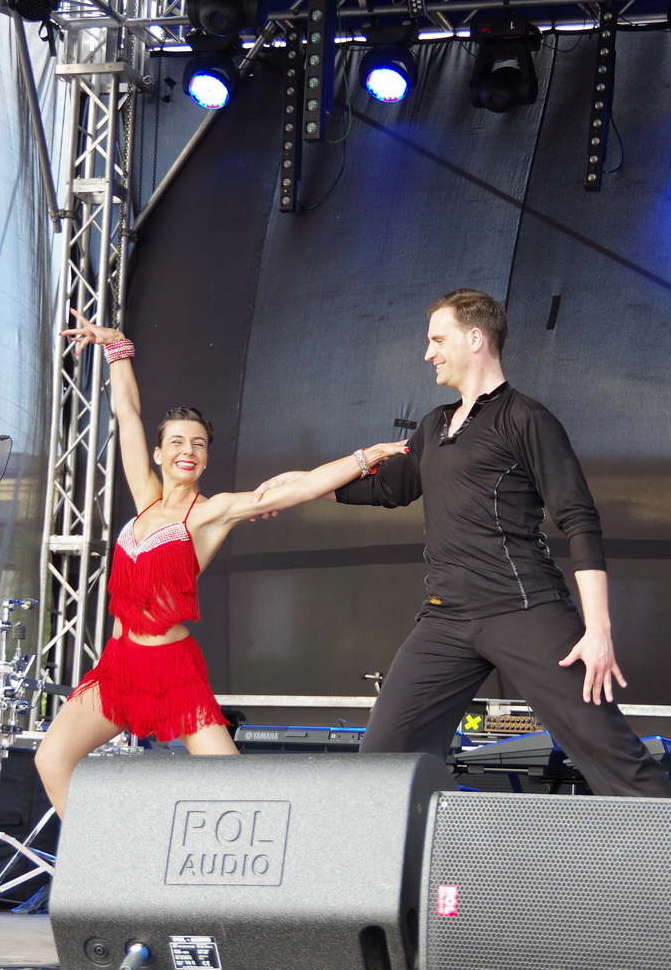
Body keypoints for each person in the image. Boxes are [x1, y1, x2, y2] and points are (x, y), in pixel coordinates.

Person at [258, 289, 671, 797]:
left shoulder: (526, 419)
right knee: (385, 759)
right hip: (447, 617)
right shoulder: (435, 424)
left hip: (523, 607)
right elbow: (387, 488)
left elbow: (578, 519)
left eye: (438, 340)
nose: (428, 353)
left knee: (608, 750)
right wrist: (302, 485)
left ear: (475, 338)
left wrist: (598, 630)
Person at [35, 309, 408, 817]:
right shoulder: (145, 498)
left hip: (171, 669)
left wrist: (366, 456)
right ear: (159, 454)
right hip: (118, 666)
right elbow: (127, 414)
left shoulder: (211, 513)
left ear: (206, 458)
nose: (187, 450)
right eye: (176, 442)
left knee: (233, 788)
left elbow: (300, 489)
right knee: (52, 759)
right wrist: (117, 346)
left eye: (199, 444)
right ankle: (99, 858)